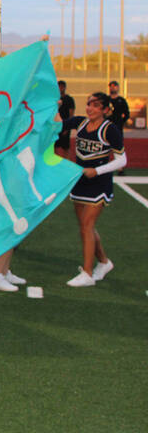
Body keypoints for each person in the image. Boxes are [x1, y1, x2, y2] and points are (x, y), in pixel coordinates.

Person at [61, 92, 126, 287]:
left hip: (99, 184)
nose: (90, 108)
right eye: (89, 104)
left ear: (105, 110)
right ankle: (104, 262)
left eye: (96, 105)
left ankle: (88, 273)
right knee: (85, 227)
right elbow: (58, 124)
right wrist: (55, 104)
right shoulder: (80, 123)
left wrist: (97, 171)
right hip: (81, 182)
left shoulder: (110, 129)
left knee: (87, 226)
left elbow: (122, 160)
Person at [55, 80, 75, 158]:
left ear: (65, 88)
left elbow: (71, 113)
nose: (60, 88)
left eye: (62, 87)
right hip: (56, 125)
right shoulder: (55, 99)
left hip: (65, 125)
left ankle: (67, 161)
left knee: (65, 147)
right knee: (55, 145)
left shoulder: (69, 99)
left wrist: (68, 127)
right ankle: (56, 163)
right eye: (59, 86)